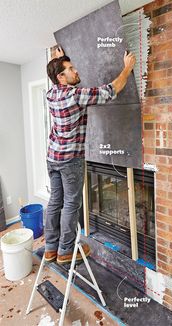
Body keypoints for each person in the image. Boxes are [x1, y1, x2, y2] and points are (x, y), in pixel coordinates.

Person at [45, 46, 136, 265]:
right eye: (71, 68)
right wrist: (127, 68)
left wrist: (58, 60)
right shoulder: (75, 95)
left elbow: (55, 77)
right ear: (61, 76)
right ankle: (65, 251)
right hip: (70, 160)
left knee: (55, 201)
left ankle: (50, 248)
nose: (76, 71)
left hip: (52, 157)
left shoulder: (51, 93)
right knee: (70, 204)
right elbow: (111, 90)